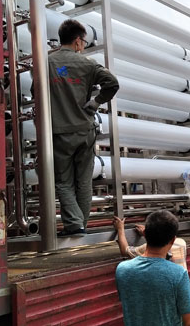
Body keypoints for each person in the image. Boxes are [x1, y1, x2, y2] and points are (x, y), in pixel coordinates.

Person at [49, 19, 119, 236]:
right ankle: (80, 225)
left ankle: (75, 225)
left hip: (60, 131)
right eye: (84, 42)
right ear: (78, 41)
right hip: (85, 130)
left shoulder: (47, 62)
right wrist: (96, 102)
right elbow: (113, 83)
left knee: (63, 181)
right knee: (83, 181)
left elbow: (35, 91)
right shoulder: (88, 64)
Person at [115, 210, 190, 326]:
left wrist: (120, 229)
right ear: (173, 240)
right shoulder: (178, 270)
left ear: (145, 234)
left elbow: (125, 250)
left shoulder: (122, 270)